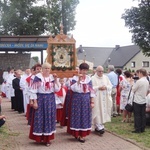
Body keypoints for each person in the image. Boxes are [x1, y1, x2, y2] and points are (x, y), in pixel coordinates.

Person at [29, 62, 60, 146]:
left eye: (48, 68)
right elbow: (33, 90)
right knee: (40, 118)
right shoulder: (38, 78)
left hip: (50, 99)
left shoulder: (52, 77)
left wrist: (56, 80)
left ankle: (47, 138)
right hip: (41, 99)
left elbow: (56, 90)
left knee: (49, 118)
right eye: (45, 68)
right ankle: (40, 137)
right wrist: (35, 102)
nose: (47, 70)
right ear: (42, 69)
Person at [67, 62, 95, 143]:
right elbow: (73, 89)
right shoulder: (74, 78)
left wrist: (92, 101)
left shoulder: (89, 79)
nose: (84, 72)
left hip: (85, 99)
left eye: (86, 70)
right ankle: (77, 133)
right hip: (76, 99)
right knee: (77, 116)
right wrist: (79, 80)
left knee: (84, 116)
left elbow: (91, 91)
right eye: (83, 70)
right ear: (80, 70)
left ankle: (82, 134)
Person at [91, 66, 112, 135]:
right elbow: (91, 88)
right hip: (97, 98)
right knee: (97, 110)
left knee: (103, 110)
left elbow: (110, 86)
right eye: (99, 71)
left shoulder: (106, 78)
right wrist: (98, 87)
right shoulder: (93, 78)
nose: (101, 73)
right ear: (96, 71)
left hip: (104, 97)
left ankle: (101, 125)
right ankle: (98, 125)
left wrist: (106, 87)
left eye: (102, 71)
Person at [132, 69, 149, 133]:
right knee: (143, 115)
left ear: (141, 73)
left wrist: (132, 84)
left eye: (138, 73)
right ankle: (142, 128)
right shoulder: (147, 81)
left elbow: (133, 89)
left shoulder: (139, 81)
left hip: (137, 100)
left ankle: (138, 128)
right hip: (144, 100)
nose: (138, 75)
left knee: (137, 115)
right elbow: (147, 91)